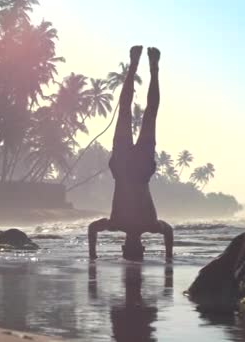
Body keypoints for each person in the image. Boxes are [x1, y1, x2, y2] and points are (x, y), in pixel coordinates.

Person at [88, 46, 173, 261]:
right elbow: (92, 229)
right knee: (129, 111)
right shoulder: (116, 223)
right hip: (126, 167)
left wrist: (170, 256)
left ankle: (148, 68)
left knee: (147, 113)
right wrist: (92, 255)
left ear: (142, 249)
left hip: (137, 168)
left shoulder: (149, 225)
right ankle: (139, 66)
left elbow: (168, 231)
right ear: (124, 249)